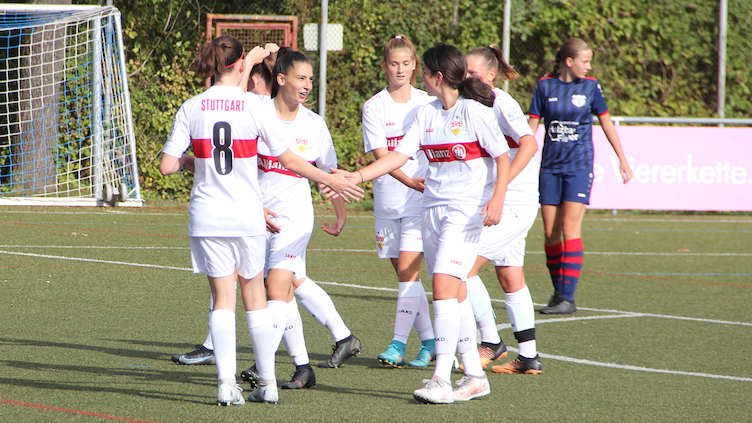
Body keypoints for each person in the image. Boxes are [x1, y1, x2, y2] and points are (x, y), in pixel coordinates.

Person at [160, 35, 362, 406]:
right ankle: (268, 382)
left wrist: (192, 161)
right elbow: (288, 158)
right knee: (258, 297)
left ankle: (225, 385)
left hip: (208, 216)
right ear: (242, 66)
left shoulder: (192, 107)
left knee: (224, 298)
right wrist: (329, 178)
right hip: (249, 215)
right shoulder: (255, 108)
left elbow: (167, 166)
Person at [335, 43, 510, 404]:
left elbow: (503, 157)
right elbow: (398, 156)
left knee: (444, 288)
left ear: (436, 76)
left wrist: (497, 199)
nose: (419, 77)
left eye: (423, 71)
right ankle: (475, 377)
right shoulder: (426, 114)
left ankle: (441, 379)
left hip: (464, 214)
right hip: (430, 210)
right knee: (456, 294)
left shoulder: (475, 113)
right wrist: (356, 176)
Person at [528, 38, 632, 314]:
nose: (588, 66)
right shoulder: (544, 86)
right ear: (569, 61)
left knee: (570, 229)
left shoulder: (591, 86)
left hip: (578, 167)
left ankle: (567, 298)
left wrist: (622, 159)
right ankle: (559, 293)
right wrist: (517, 160)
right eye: (585, 61)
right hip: (549, 167)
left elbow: (607, 123)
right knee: (550, 234)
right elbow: (532, 128)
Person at [462, 45, 542, 374]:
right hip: (505, 198)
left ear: (491, 76)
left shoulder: (500, 102)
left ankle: (491, 342)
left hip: (513, 202)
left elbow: (529, 142)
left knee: (462, 269)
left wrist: (503, 188)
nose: (466, 78)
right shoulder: (472, 103)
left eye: (473, 74)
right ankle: (528, 357)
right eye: (464, 72)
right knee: (510, 276)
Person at [362, 34, 435, 369]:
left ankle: (397, 344)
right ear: (384, 66)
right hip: (389, 201)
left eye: (406, 63)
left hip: (420, 203)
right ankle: (431, 341)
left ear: (415, 65)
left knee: (408, 273)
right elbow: (381, 155)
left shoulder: (427, 102)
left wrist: (420, 185)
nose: (400, 69)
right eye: (394, 63)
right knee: (407, 278)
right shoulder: (374, 106)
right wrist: (408, 181)